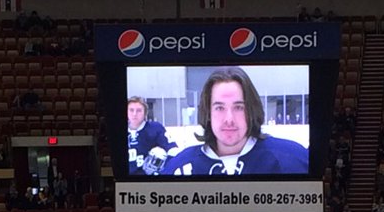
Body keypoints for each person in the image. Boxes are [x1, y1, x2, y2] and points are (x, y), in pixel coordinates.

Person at [160, 67, 309, 176]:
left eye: (238, 107)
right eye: (219, 108)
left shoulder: (292, 159)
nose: (229, 119)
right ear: (208, 112)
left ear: (251, 110)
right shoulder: (179, 167)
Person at [126, 96, 175, 174]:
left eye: (139, 111)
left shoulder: (155, 129)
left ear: (145, 113)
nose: (134, 114)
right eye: (131, 110)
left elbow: (172, 150)